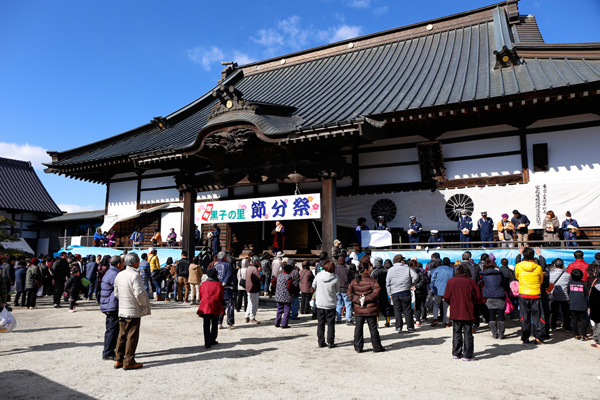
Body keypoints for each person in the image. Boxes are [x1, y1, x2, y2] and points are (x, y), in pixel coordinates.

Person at [113, 253, 151, 370]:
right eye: (138, 261)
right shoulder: (135, 275)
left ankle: (118, 359)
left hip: (122, 308)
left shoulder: (120, 274)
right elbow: (139, 293)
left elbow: (116, 292)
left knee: (122, 334)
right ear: (134, 262)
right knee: (132, 336)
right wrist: (144, 305)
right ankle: (129, 361)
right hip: (133, 309)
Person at [443, 263, 484, 361]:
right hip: (468, 309)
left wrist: (452, 302)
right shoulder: (471, 282)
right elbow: (478, 297)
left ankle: (456, 352)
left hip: (456, 309)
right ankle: (467, 354)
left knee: (456, 331)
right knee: (468, 332)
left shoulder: (451, 281)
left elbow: (446, 297)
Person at [348, 262, 385, 353]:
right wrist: (366, 298)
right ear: (366, 269)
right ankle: (376, 346)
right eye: (369, 267)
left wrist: (358, 299)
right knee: (373, 328)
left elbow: (349, 293)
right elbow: (377, 291)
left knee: (358, 328)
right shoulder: (372, 281)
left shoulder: (354, 281)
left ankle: (358, 347)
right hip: (370, 308)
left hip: (359, 308)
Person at [515, 247, 544, 344]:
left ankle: (525, 337)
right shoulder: (538, 267)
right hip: (535, 293)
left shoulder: (518, 266)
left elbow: (517, 276)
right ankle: (538, 337)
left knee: (524, 316)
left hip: (524, 294)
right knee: (538, 316)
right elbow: (541, 280)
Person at [386, 254, 419, 333]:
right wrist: (411, 284)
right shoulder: (407, 268)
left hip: (395, 292)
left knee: (397, 310)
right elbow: (416, 276)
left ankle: (398, 327)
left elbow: (387, 282)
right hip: (405, 291)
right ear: (402, 261)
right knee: (407, 310)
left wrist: (389, 292)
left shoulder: (390, 270)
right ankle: (410, 327)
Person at [100, 256, 123, 360]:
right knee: (112, 330)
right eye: (122, 262)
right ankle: (108, 352)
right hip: (111, 305)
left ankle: (110, 350)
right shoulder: (115, 274)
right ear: (118, 264)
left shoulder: (110, 271)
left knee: (113, 329)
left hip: (109, 303)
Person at [312, 260, 339, 348]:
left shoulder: (318, 275)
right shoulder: (335, 277)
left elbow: (313, 285)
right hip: (330, 303)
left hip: (320, 302)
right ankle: (330, 342)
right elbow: (337, 289)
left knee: (320, 323)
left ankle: (321, 341)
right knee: (331, 324)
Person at [197, 268, 224, 349]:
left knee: (206, 324)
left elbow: (200, 295)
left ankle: (207, 342)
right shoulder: (219, 284)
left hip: (205, 306)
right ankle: (213, 339)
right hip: (215, 305)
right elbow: (222, 296)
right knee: (215, 323)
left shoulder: (203, 284)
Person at [479, 260, 507, 339]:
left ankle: (494, 333)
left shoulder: (483, 275)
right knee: (501, 315)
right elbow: (504, 284)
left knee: (492, 316)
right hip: (500, 296)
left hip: (489, 296)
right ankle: (501, 334)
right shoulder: (500, 274)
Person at [548, 258, 572, 332]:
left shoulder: (550, 274)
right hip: (565, 296)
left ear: (554, 265)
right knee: (566, 313)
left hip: (554, 296)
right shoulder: (568, 275)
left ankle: (553, 326)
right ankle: (567, 327)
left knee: (553, 312)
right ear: (563, 266)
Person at [213, 251, 235, 329]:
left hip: (217, 288)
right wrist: (224, 283)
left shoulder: (215, 266)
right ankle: (230, 323)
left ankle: (219, 323)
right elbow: (229, 275)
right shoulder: (228, 265)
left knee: (220, 306)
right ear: (225, 257)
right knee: (230, 306)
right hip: (227, 289)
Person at [430, 258, 454, 327]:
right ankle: (446, 322)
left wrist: (432, 288)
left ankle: (435, 318)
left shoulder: (438, 269)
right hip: (447, 290)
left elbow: (433, 279)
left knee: (436, 304)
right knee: (446, 306)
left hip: (437, 289)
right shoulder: (452, 270)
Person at [567, 269, 589, 340]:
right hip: (582, 304)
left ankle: (576, 334)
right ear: (582, 276)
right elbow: (586, 294)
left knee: (574, 319)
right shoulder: (583, 284)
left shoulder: (570, 283)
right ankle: (583, 334)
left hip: (573, 304)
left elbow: (568, 292)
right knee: (584, 319)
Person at [371, 257, 390, 327]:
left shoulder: (374, 272)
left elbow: (371, 282)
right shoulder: (386, 271)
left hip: (376, 291)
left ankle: (377, 322)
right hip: (385, 291)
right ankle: (387, 321)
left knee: (376, 306)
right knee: (386, 306)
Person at [273, 263, 294, 328]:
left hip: (279, 295)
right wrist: (291, 292)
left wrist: (277, 287)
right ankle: (284, 324)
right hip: (286, 295)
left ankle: (277, 322)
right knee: (287, 310)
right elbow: (289, 286)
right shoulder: (289, 277)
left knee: (279, 309)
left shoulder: (279, 275)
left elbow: (273, 281)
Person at [335, 256, 353, 325]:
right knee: (348, 304)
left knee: (338, 304)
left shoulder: (335, 270)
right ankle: (348, 319)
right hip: (345, 288)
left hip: (337, 288)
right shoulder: (347, 270)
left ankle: (338, 318)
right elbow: (351, 279)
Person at [245, 257, 262, 324]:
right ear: (256, 262)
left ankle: (247, 315)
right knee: (254, 304)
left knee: (250, 303)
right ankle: (252, 318)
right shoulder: (254, 269)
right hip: (254, 288)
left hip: (249, 287)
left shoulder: (248, 268)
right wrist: (260, 272)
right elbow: (259, 278)